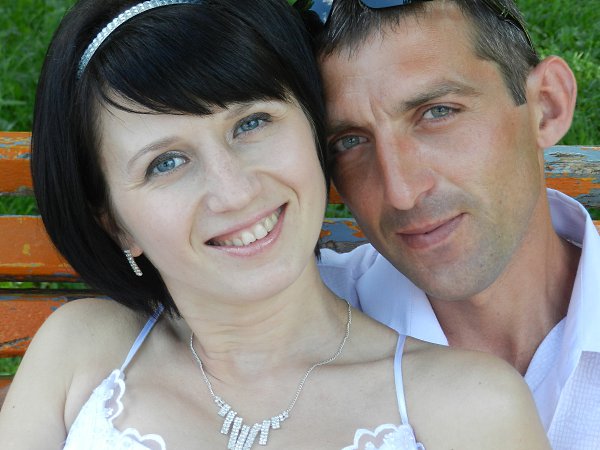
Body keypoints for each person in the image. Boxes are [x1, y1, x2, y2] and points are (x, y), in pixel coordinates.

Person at [0, 0, 550, 449]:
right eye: (166, 163)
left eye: (252, 123)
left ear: (314, 133)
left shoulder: (470, 406)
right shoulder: (83, 350)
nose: (235, 191)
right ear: (116, 225)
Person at [313, 0, 600, 448]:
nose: (401, 192)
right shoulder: (297, 329)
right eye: (350, 141)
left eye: (437, 112)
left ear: (547, 106)